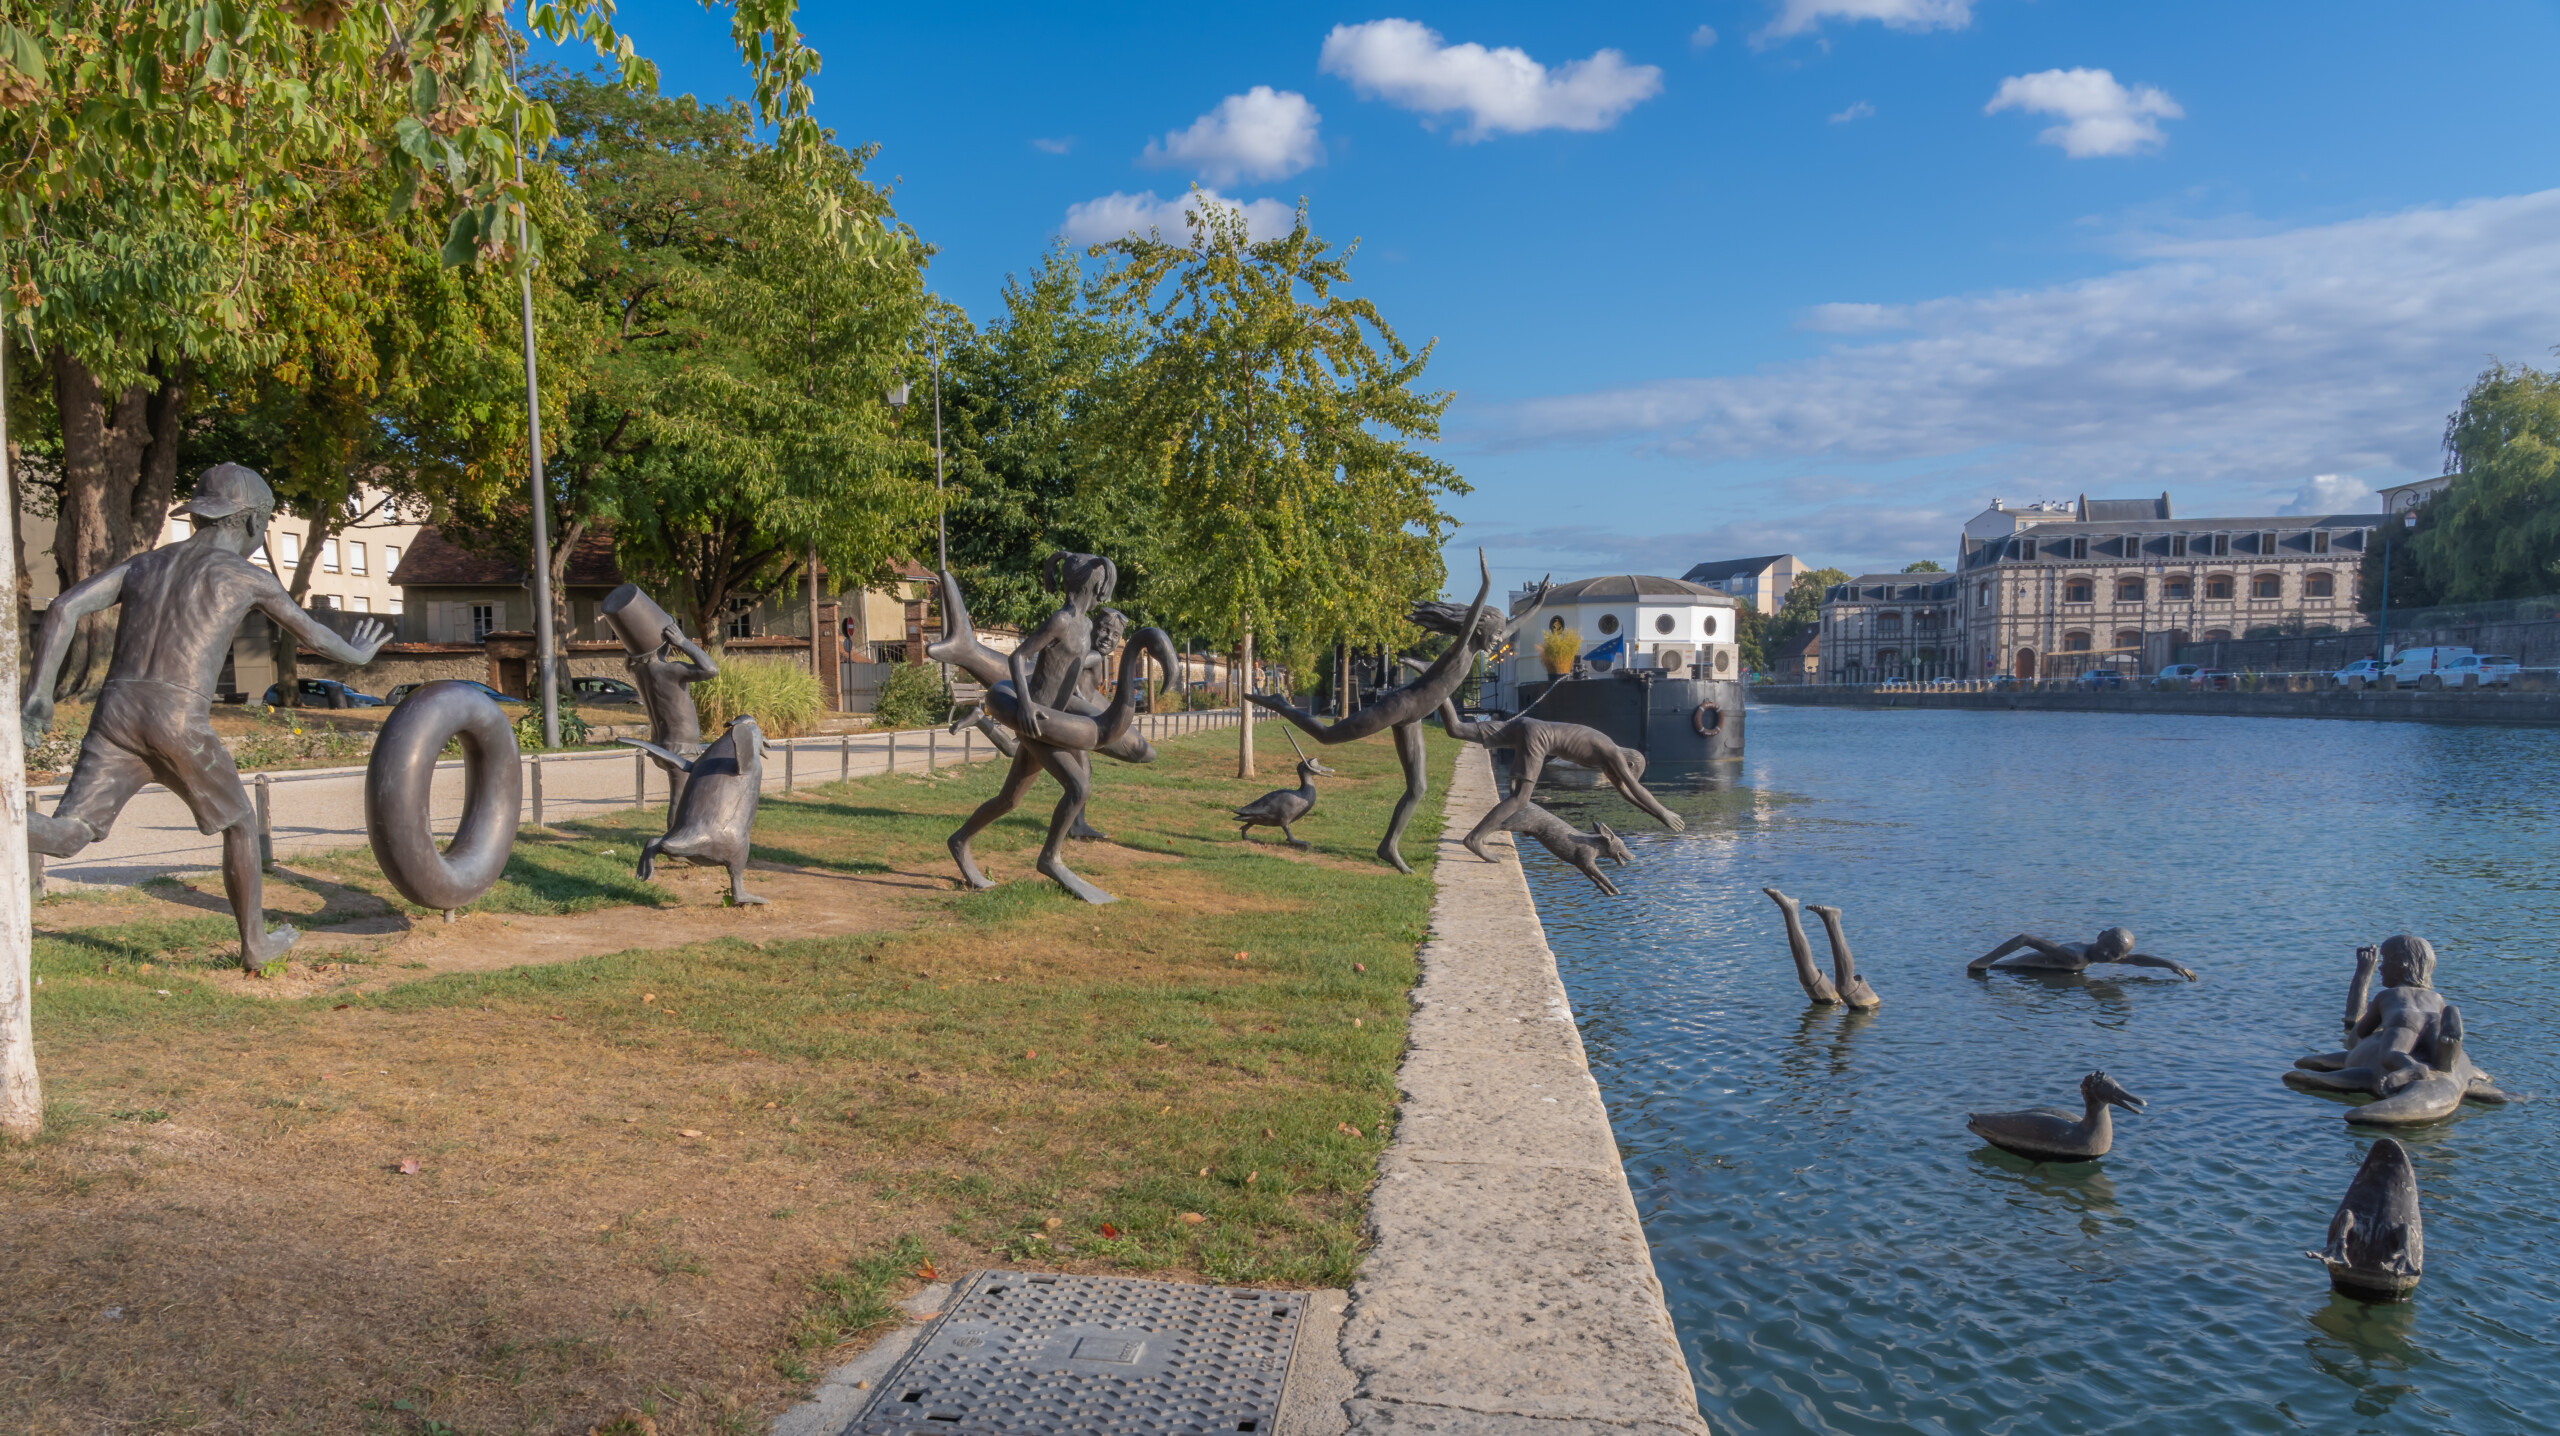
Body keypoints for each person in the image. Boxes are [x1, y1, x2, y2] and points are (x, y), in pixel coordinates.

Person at [21, 464, 388, 970]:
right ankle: (255, 944)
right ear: (253, 522)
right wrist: (359, 655)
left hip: (116, 711)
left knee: (70, 833)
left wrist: (39, 696)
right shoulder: (247, 577)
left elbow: (63, 608)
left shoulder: (145, 564)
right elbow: (313, 635)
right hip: (177, 717)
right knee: (240, 823)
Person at [626, 622, 718, 822]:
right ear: (665, 643)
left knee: (684, 794)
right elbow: (711, 670)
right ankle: (674, 839)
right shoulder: (671, 670)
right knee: (680, 798)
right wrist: (683, 642)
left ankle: (682, 833)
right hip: (681, 747)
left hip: (661, 745)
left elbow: (631, 659)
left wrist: (635, 644)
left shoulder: (638, 671)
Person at [1967, 926, 2197, 981]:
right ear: (2099, 936)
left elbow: (2136, 959)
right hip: (2004, 971)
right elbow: (2025, 938)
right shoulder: (2075, 956)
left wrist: (2172, 965)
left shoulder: (2094, 953)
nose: (2105, 955)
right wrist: (1985, 962)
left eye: (2113, 954)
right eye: (2105, 947)